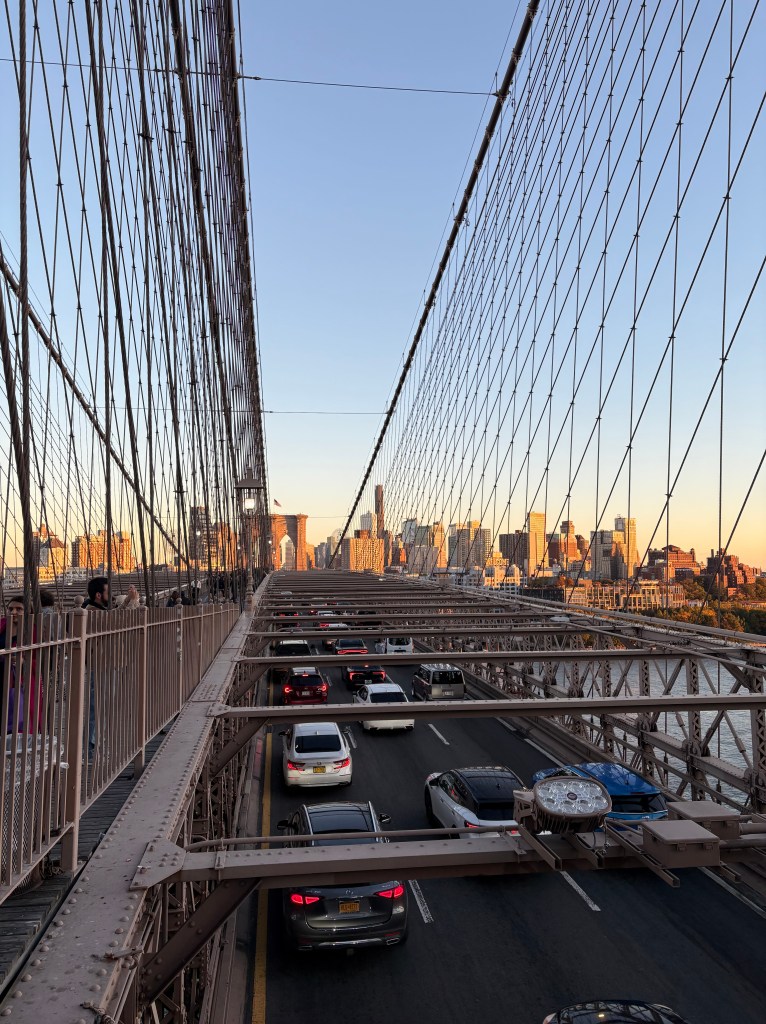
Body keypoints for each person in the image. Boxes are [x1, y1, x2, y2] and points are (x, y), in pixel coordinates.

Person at [1, 596, 42, 733]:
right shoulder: (1, 625)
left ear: (28, 612)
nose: (13, 612)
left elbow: (41, 659)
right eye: (11, 608)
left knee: (17, 716)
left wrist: (25, 662)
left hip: (17, 682)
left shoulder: (33, 632)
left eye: (19, 609)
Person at [82, 576, 109, 754]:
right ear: (99, 595)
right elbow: (116, 623)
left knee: (101, 705)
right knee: (97, 705)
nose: (112, 596)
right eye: (109, 592)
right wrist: (132, 602)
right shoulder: (93, 613)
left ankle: (95, 742)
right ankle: (89, 747)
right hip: (99, 665)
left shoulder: (97, 611)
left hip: (103, 664)